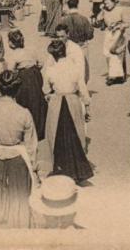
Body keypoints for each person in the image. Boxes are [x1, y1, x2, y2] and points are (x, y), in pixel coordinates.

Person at [0, 70, 38, 229]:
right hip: (19, 161)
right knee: (19, 203)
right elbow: (31, 147)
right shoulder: (24, 114)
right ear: (17, 89)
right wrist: (35, 170)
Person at [43, 40, 93, 184]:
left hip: (57, 102)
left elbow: (46, 89)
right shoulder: (75, 68)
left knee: (56, 135)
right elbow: (83, 88)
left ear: (53, 56)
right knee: (76, 133)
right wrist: (87, 105)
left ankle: (60, 168)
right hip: (72, 101)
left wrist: (51, 93)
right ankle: (77, 170)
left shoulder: (51, 70)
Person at [4, 30, 47, 139]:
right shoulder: (30, 50)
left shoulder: (13, 55)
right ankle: (40, 130)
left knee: (25, 102)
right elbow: (41, 63)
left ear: (12, 43)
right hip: (34, 74)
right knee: (37, 100)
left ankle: (26, 131)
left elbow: (10, 70)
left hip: (24, 78)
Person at [60, 0, 94, 83]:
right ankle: (83, 86)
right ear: (77, 5)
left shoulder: (64, 20)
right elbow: (90, 34)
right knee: (84, 67)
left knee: (70, 67)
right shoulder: (84, 19)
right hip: (82, 45)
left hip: (69, 46)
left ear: (68, 6)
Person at [97, 0, 128, 85]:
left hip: (118, 34)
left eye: (108, 3)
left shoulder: (120, 10)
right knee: (108, 55)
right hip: (108, 34)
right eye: (105, 4)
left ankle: (118, 76)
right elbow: (98, 19)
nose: (107, 5)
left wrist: (119, 26)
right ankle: (112, 74)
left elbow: (127, 23)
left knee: (117, 54)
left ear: (113, 2)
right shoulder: (105, 11)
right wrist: (102, 10)